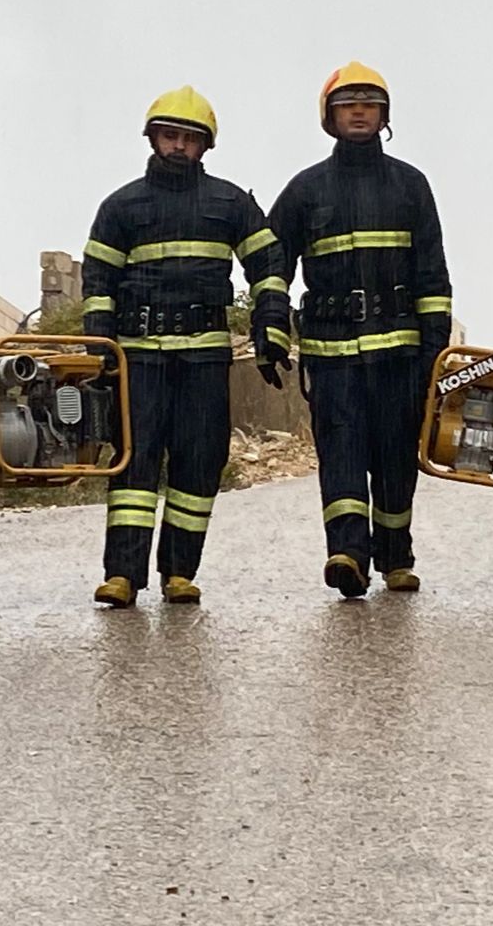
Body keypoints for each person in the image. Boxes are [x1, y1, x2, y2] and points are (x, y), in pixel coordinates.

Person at [81, 86, 292, 607]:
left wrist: (270, 324)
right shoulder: (122, 205)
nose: (178, 145)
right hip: (138, 356)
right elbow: (98, 279)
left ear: (205, 146)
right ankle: (122, 576)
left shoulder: (231, 203)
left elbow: (268, 265)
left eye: (188, 138)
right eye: (169, 135)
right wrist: (99, 345)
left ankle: (179, 573)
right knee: (134, 464)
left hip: (203, 355)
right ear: (153, 138)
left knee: (199, 461)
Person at [269, 62, 453, 599]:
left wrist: (434, 350)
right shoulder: (305, 190)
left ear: (384, 116)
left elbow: (433, 274)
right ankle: (347, 554)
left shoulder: (410, 185)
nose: (358, 113)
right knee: (342, 453)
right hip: (331, 355)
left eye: (369, 104)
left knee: (395, 457)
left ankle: (396, 560)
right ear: (329, 117)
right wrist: (270, 328)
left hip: (400, 353)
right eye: (347, 105)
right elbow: (271, 265)